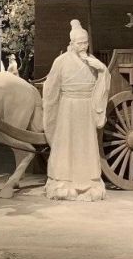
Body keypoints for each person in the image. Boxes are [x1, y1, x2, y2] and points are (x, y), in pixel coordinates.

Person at [42, 20, 110, 201]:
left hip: (86, 107)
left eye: (85, 43)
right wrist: (51, 108)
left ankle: (89, 182)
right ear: (71, 43)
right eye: (79, 43)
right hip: (68, 107)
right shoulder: (61, 61)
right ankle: (63, 181)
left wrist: (102, 70)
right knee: (67, 142)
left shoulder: (93, 62)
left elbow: (102, 84)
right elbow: (51, 88)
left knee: (85, 143)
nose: (83, 47)